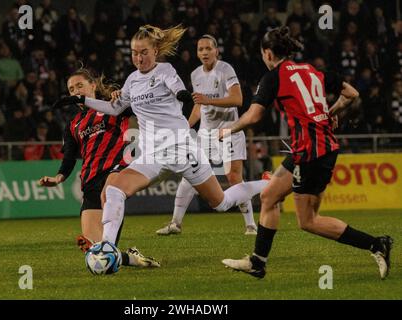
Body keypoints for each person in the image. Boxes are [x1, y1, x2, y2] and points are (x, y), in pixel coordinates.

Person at [53, 25, 266, 261]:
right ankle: (108, 249)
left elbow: (176, 87)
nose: (138, 57)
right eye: (134, 52)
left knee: (221, 202)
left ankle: (268, 184)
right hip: (152, 154)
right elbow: (114, 108)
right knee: (114, 189)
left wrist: (182, 95)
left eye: (143, 52)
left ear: (155, 50)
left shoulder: (165, 70)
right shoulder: (132, 80)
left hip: (182, 149)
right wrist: (82, 99)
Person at [220, 26, 393, 279]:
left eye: (262, 54)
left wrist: (229, 129)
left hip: (311, 153)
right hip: (311, 149)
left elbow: (255, 114)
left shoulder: (273, 77)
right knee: (269, 197)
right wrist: (329, 114)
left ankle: (377, 244)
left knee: (308, 221)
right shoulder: (312, 70)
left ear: (268, 53)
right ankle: (257, 262)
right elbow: (351, 94)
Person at [39, 68, 160, 268]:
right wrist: (58, 177)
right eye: (71, 89)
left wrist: (124, 96)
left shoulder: (113, 106)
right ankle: (133, 258)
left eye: (80, 85)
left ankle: (119, 253)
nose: (75, 91)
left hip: (114, 172)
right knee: (94, 249)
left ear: (93, 86)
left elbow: (140, 105)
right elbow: (69, 156)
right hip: (90, 180)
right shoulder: (73, 124)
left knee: (106, 233)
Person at [156, 34, 270, 236]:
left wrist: (208, 100)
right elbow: (199, 106)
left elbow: (237, 99)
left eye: (209, 48)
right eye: (201, 49)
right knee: (190, 174)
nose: (205, 52)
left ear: (216, 51)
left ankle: (251, 225)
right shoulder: (195, 75)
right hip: (205, 134)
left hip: (229, 131)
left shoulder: (225, 70)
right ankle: (175, 223)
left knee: (234, 177)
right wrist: (185, 126)